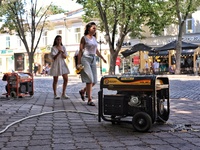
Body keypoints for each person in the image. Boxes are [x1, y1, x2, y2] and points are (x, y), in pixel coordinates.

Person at [77, 22, 107, 106]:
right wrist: (78, 63)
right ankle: (89, 99)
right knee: (89, 79)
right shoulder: (84, 38)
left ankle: (83, 91)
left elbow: (96, 50)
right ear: (88, 29)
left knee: (94, 81)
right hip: (85, 59)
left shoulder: (94, 38)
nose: (95, 29)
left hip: (93, 59)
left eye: (95, 28)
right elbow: (80, 51)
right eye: (93, 28)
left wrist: (102, 58)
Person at [49, 35, 70, 99]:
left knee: (66, 78)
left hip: (62, 63)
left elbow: (65, 57)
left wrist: (62, 53)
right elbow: (53, 58)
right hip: (56, 64)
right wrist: (58, 52)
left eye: (60, 39)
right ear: (55, 40)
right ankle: (55, 94)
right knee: (55, 79)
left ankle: (63, 93)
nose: (59, 41)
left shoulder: (63, 47)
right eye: (58, 39)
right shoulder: (53, 48)